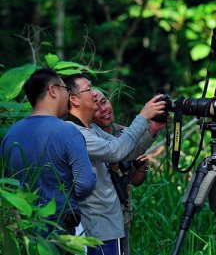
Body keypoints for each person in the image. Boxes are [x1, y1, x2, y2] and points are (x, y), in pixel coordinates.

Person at [62, 73, 166, 255]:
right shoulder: (74, 131)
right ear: (74, 100)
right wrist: (142, 116)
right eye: (88, 89)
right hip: (96, 226)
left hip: (108, 223)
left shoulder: (91, 129)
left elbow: (125, 153)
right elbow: (114, 151)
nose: (94, 94)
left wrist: (152, 130)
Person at [0, 68, 96, 235]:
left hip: (23, 230)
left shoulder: (10, 135)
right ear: (53, 90)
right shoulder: (67, 132)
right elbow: (85, 183)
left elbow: (7, 187)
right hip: (59, 231)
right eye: (66, 89)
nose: (68, 96)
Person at [91, 89, 165, 255]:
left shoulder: (127, 133)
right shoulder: (91, 137)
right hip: (100, 219)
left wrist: (140, 166)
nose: (103, 109)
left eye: (104, 102)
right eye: (96, 108)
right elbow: (114, 151)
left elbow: (135, 180)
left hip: (123, 215)